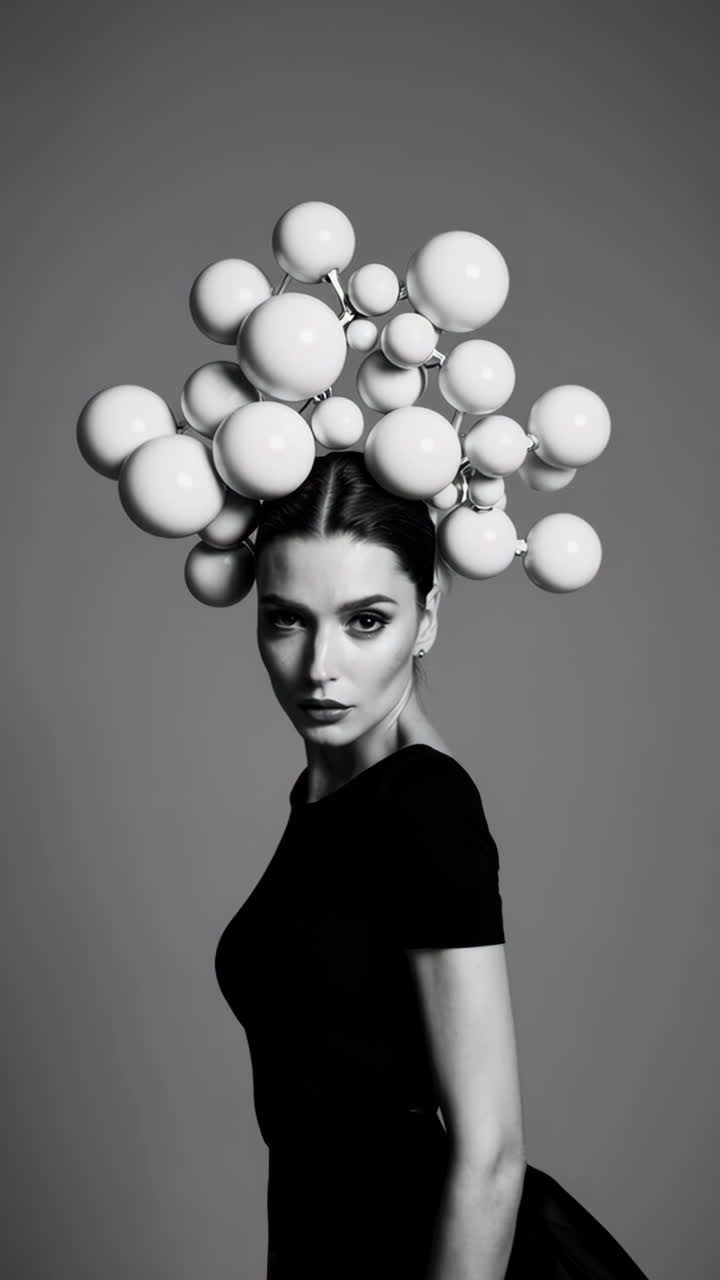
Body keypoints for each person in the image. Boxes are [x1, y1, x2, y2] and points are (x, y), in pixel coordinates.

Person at [214, 450, 649, 1279]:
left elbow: (490, 1154)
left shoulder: (424, 807)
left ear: (429, 616)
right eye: (287, 618)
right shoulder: (337, 795)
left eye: (366, 620)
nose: (321, 668)